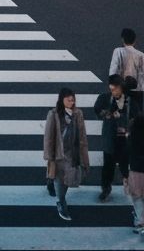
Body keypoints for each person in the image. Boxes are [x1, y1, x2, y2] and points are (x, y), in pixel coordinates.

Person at [43, 87, 90, 221]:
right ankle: (61, 201)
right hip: (59, 153)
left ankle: (52, 186)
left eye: (72, 99)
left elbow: (82, 136)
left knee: (69, 177)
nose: (71, 101)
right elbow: (49, 137)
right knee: (59, 177)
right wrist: (49, 156)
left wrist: (85, 157)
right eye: (68, 99)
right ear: (61, 100)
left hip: (73, 153)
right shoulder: (54, 114)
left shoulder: (78, 114)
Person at [94, 75, 130, 202]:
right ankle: (106, 188)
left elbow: (135, 115)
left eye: (115, 89)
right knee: (108, 165)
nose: (113, 91)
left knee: (125, 164)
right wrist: (107, 113)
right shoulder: (104, 98)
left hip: (124, 139)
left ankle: (129, 184)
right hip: (110, 137)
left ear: (121, 87)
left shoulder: (129, 100)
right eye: (111, 89)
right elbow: (97, 109)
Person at [110, 27, 144, 115]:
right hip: (137, 90)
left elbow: (113, 71)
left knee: (118, 113)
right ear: (135, 41)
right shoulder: (141, 55)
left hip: (121, 88)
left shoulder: (118, 51)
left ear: (122, 39)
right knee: (137, 112)